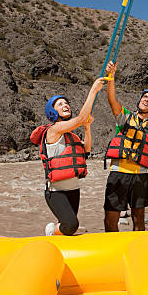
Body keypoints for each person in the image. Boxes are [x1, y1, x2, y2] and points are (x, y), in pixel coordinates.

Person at [30, 77, 105, 236]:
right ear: (52, 111)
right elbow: (81, 118)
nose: (65, 105)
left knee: (69, 229)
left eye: (66, 103)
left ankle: (58, 235)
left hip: (73, 189)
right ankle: (51, 231)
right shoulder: (53, 130)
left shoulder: (72, 136)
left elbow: (87, 149)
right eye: (60, 104)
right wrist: (93, 90)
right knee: (71, 225)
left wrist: (87, 128)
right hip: (56, 192)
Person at [103, 61, 148, 232]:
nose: (147, 100)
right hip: (118, 173)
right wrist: (111, 77)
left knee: (139, 219)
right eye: (145, 97)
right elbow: (111, 99)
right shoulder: (125, 117)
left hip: (140, 177)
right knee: (110, 219)